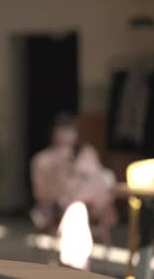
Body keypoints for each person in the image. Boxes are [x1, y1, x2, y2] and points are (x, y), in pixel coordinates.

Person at [30, 113, 116, 269]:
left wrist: (77, 175)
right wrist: (60, 175)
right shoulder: (42, 159)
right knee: (77, 210)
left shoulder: (86, 153)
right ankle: (78, 265)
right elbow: (41, 194)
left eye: (69, 131)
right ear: (53, 134)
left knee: (99, 184)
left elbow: (100, 179)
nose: (65, 136)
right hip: (55, 208)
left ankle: (76, 264)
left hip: (90, 205)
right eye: (61, 131)